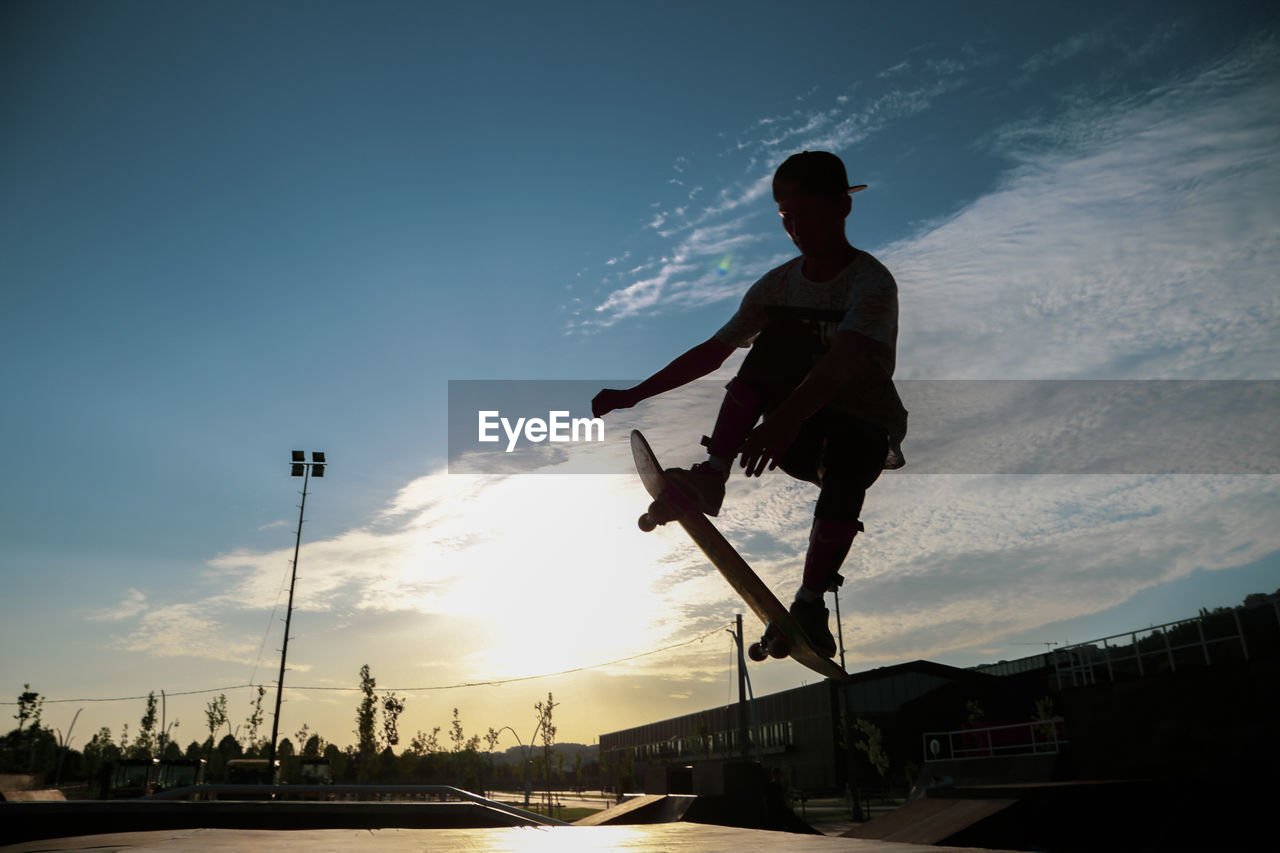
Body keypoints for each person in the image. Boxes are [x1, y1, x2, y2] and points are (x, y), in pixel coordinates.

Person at [592, 150, 907, 658]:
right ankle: (712, 474)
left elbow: (843, 361)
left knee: (851, 453)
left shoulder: (871, 282)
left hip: (856, 430)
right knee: (779, 335)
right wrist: (634, 393)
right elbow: (714, 352)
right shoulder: (778, 285)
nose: (797, 228)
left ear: (842, 208)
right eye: (786, 217)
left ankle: (809, 603)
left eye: (807, 213)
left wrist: (784, 419)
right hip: (790, 438)